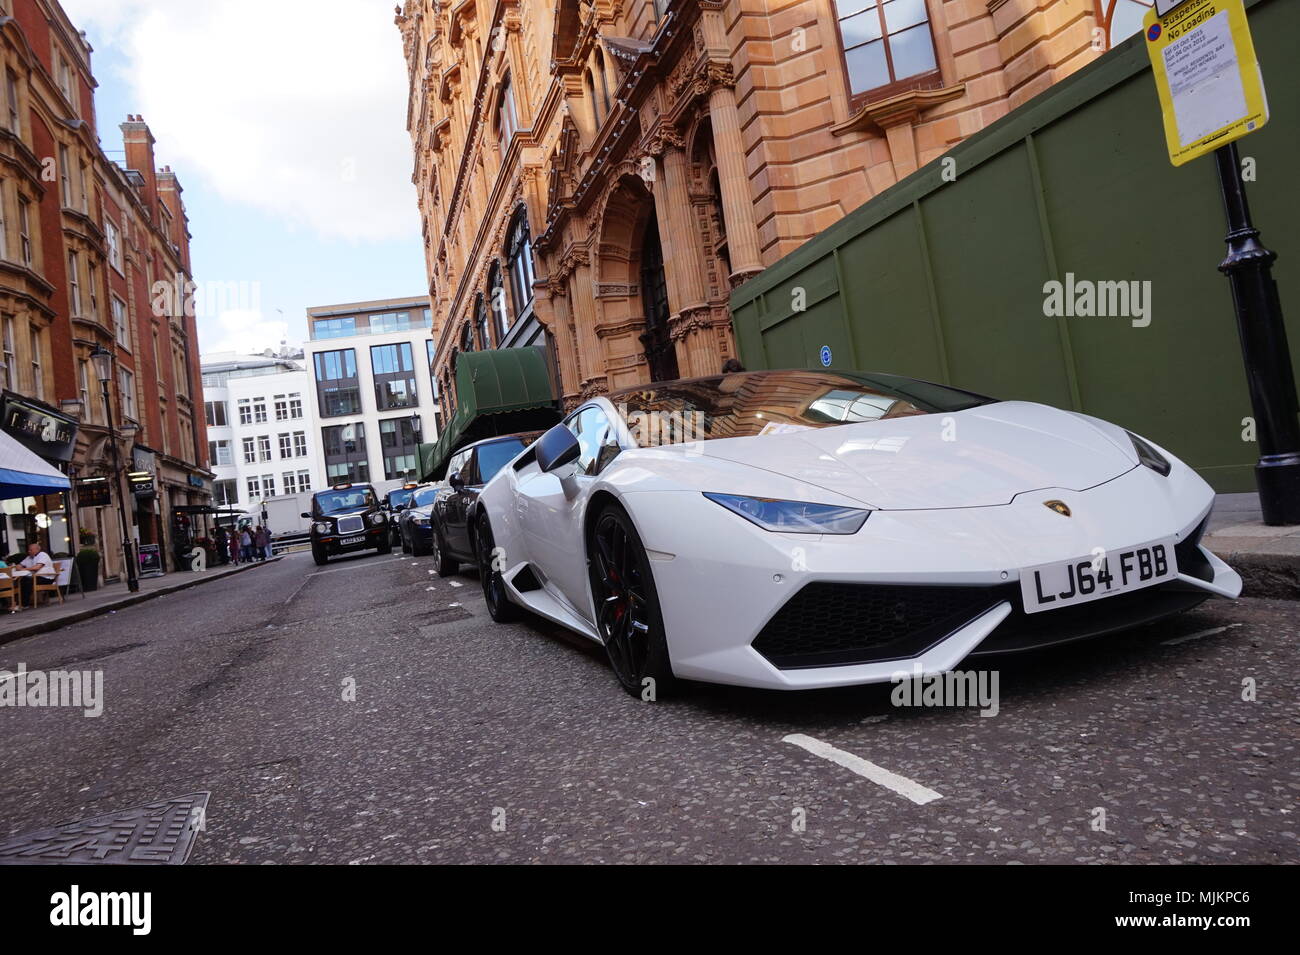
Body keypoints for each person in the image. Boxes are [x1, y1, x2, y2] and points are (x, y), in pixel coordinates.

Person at [17, 541, 55, 607]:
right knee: (20, 581)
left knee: (26, 582)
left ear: (37, 549)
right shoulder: (29, 557)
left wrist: (23, 569)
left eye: (31, 550)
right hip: (36, 577)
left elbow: (37, 567)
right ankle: (19, 603)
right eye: (28, 550)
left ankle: (24, 604)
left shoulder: (42, 555)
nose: (29, 551)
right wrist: (20, 567)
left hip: (46, 578)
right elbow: (18, 565)